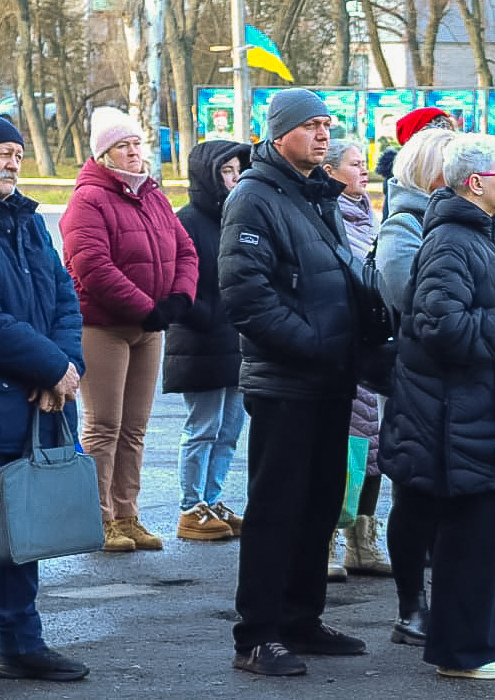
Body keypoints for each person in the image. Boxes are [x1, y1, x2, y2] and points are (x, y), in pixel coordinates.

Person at [379, 134, 495, 680]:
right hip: (459, 422)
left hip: (489, 415)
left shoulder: (483, 234)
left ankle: (491, 642)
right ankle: (462, 651)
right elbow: (438, 327)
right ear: (476, 183)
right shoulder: (451, 240)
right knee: (475, 541)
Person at [219, 88, 366, 676]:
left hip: (332, 375)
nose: (324, 135)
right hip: (287, 379)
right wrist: (316, 347)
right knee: (277, 508)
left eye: (328, 124)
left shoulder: (315, 194)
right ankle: (256, 635)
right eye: (311, 126)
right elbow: (246, 296)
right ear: (279, 134)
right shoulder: (254, 197)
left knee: (321, 502)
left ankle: (301, 620)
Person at [0, 115, 91, 697]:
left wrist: (66, 363)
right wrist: (50, 367)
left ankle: (22, 645)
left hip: (39, 402)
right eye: (2, 153)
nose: (12, 163)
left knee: (23, 528)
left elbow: (64, 295)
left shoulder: (27, 223)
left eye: (18, 153)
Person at [60, 107, 198, 554]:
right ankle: (98, 519)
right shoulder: (88, 200)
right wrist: (147, 308)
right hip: (104, 327)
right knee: (103, 426)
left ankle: (128, 513)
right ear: (104, 154)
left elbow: (185, 250)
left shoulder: (153, 195)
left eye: (137, 143)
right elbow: (92, 267)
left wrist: (178, 299)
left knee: (135, 428)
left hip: (150, 327)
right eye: (124, 145)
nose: (135, 152)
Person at [373, 126, 456, 647]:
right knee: (417, 491)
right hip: (418, 376)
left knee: (453, 494)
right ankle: (411, 606)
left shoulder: (469, 221)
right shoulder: (403, 224)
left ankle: (447, 598)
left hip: (461, 379)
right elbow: (409, 296)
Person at [163, 139, 251, 542]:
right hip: (200, 342)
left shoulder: (241, 218)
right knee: (203, 427)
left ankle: (213, 500)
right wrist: (212, 315)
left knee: (231, 428)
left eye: (238, 170)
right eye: (226, 172)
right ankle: (190, 505)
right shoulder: (187, 221)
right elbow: (177, 284)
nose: (234, 179)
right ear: (207, 176)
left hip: (238, 341)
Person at [321, 140, 392, 579]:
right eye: (353, 165)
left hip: (373, 345)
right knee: (342, 448)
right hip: (341, 345)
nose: (363, 172)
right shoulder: (328, 215)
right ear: (330, 172)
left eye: (365, 165)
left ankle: (363, 540)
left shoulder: (370, 214)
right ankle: (327, 538)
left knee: (373, 449)